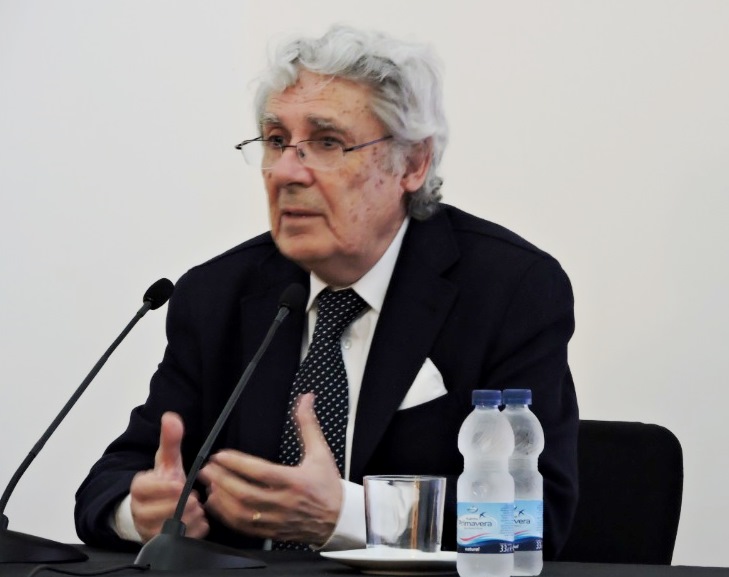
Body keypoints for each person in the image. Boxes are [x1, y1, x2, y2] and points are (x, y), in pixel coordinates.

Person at [75, 24, 579, 558]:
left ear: (412, 163)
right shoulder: (216, 294)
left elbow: (536, 518)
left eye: (327, 142)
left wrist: (350, 515)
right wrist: (137, 510)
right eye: (276, 142)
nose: (286, 172)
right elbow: (112, 482)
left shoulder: (510, 290)